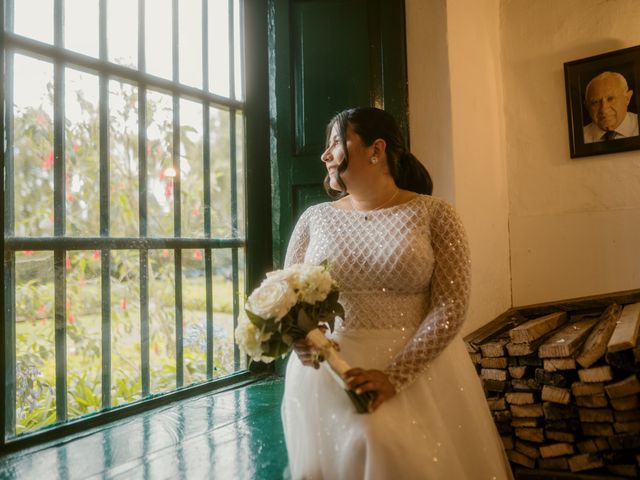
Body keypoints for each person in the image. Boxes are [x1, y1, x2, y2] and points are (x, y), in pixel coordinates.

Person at [280, 107, 513, 479]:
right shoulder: (314, 219)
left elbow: (451, 304)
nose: (325, 155)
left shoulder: (436, 215)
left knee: (385, 448)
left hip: (417, 366)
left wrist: (396, 375)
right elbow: (287, 295)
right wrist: (302, 339)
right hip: (330, 372)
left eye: (336, 143)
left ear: (376, 149)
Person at [583, 71, 639, 143]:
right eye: (595, 102)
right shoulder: (580, 137)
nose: (604, 109)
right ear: (587, 107)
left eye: (611, 99)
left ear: (627, 98)